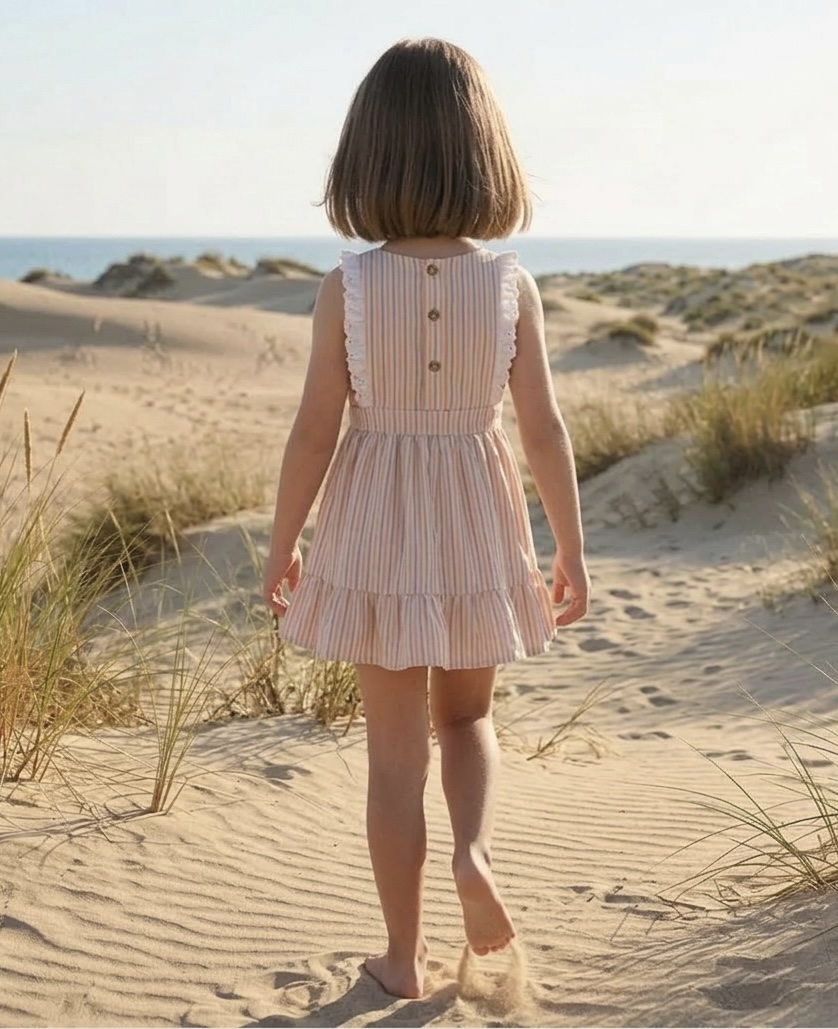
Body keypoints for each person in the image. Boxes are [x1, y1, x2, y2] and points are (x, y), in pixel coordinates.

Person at [262, 37, 590, 1000]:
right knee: (472, 714)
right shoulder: (510, 283)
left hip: (374, 525)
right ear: (486, 155)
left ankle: (402, 957)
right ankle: (474, 857)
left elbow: (312, 433)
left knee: (394, 755)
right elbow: (545, 430)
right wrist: (570, 548)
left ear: (366, 157)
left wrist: (284, 547)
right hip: (479, 517)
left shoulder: (348, 288)